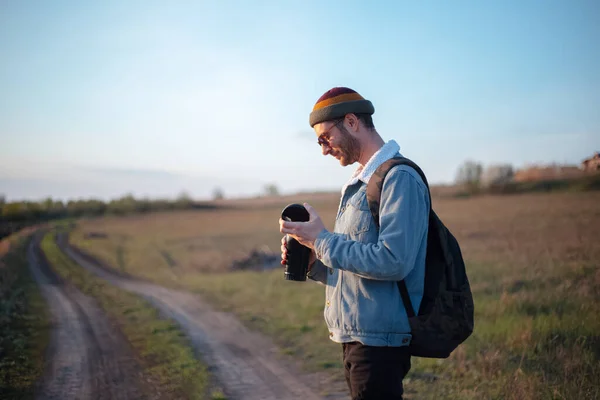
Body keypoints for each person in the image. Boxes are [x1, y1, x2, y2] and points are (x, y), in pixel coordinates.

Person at [279, 87, 430, 400]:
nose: (323, 150)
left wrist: (321, 239)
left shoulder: (398, 177)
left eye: (324, 138)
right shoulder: (359, 185)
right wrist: (313, 263)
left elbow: (394, 261)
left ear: (350, 121)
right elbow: (357, 266)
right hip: (355, 339)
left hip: (380, 345)